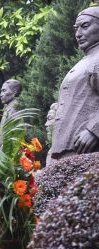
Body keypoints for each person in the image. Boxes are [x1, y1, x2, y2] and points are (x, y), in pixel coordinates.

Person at [48, 6, 99, 163]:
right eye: (76, 28)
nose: (78, 34)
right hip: (70, 152)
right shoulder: (87, 60)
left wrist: (93, 130)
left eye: (85, 26)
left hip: (87, 150)